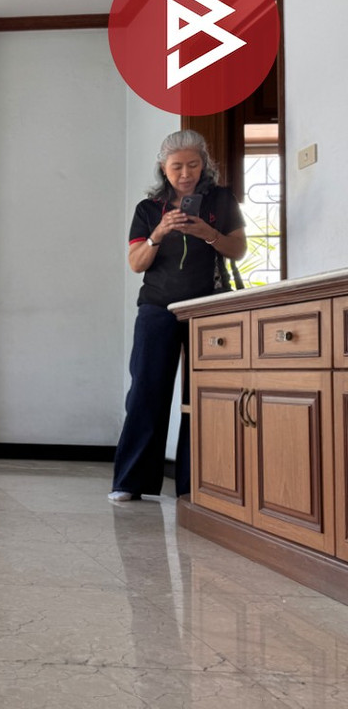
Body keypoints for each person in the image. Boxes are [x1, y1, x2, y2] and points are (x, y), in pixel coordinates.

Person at [110, 130, 247, 503]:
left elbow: (238, 250)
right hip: (157, 306)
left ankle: (195, 483)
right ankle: (130, 481)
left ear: (204, 164)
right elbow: (136, 263)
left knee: (202, 393)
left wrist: (208, 233)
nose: (185, 174)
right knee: (146, 390)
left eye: (193, 165)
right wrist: (158, 233)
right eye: (176, 167)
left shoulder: (221, 200)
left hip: (209, 307)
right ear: (163, 167)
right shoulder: (148, 208)